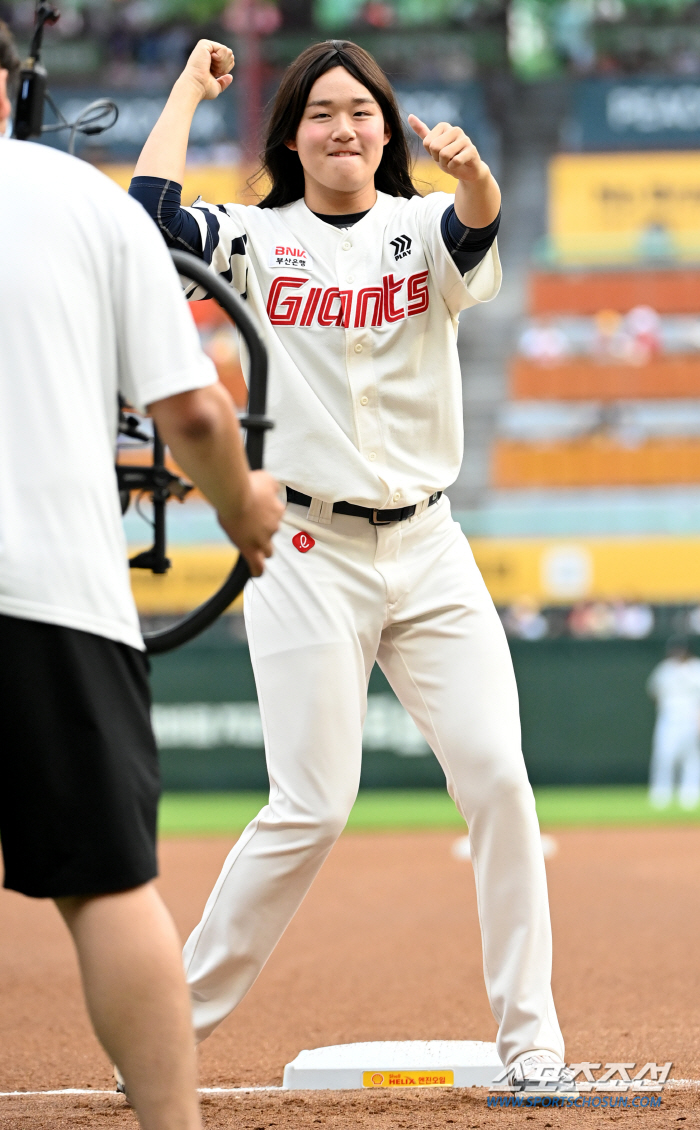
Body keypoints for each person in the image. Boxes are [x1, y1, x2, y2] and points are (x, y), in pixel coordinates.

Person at [129, 37, 569, 1083]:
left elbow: (476, 224)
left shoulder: (422, 228)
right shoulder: (253, 236)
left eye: (361, 111)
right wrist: (189, 91)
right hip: (305, 549)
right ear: (293, 134)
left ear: (386, 128)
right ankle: (168, 1029)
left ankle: (532, 1040)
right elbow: (149, 225)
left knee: (500, 781)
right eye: (322, 111)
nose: (343, 127)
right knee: (312, 803)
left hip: (429, 546)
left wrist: (472, 172)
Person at [0, 118, 283, 1129]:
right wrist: (243, 503)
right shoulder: (81, 201)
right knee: (109, 888)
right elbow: (197, 416)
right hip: (48, 587)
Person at [647, 638, 700, 810]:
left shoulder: (696, 668)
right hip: (669, 718)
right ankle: (661, 794)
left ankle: (690, 795)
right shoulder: (665, 669)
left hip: (691, 719)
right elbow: (653, 693)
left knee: (692, 759)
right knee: (664, 756)